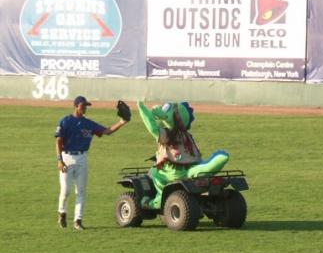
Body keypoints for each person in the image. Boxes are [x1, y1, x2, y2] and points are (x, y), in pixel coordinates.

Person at [137, 101, 229, 209]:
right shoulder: (186, 135)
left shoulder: (168, 134)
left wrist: (142, 109)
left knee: (157, 176)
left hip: (172, 172)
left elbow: (152, 128)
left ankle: (153, 203)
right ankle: (210, 164)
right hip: (190, 167)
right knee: (198, 169)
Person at [55, 96, 129, 230]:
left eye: (86, 106)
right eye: (83, 106)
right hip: (66, 158)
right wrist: (59, 160)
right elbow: (58, 141)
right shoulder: (65, 121)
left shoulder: (88, 123)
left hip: (82, 158)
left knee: (81, 191)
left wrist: (122, 122)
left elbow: (107, 131)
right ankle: (62, 212)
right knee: (65, 191)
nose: (85, 108)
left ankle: (78, 220)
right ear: (76, 106)